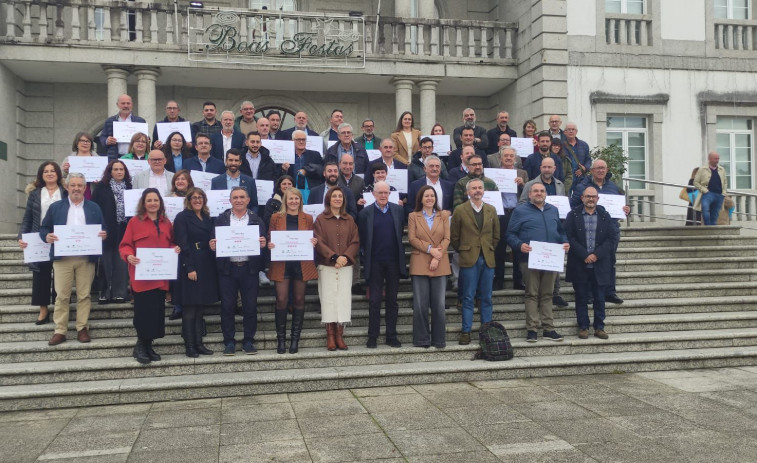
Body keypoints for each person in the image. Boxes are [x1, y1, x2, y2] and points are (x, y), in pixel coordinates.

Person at [40, 173, 107, 346]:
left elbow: (103, 228)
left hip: (86, 258)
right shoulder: (56, 207)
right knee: (62, 295)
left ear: (85, 188)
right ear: (67, 187)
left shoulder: (94, 208)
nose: (76, 188)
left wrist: (103, 234)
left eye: (80, 185)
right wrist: (47, 236)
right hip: (63, 258)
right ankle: (60, 330)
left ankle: (82, 328)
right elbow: (44, 228)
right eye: (73, 185)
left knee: (84, 295)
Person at [119, 188, 179, 364]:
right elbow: (124, 245)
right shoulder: (134, 223)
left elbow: (172, 243)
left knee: (156, 314)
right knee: (143, 313)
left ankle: (149, 344)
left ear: (160, 203)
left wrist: (175, 249)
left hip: (160, 278)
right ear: (143, 204)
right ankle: (140, 346)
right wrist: (128, 255)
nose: (153, 203)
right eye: (149, 200)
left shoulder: (167, 223)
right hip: (142, 278)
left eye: (156, 200)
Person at [506, 182, 569, 343]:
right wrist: (520, 245)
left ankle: (548, 328)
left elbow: (561, 232)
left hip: (551, 259)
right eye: (535, 191)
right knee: (532, 294)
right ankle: (532, 329)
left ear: (546, 194)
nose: (539, 193)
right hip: (530, 259)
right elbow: (510, 234)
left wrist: (565, 242)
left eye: (542, 191)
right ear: (530, 194)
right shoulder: (520, 211)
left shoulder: (553, 210)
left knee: (547, 294)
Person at [211, 187, 267, 355]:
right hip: (228, 270)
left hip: (249, 269)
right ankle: (229, 341)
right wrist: (212, 245)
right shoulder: (221, 219)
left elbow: (263, 244)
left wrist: (263, 244)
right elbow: (213, 241)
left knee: (250, 307)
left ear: (248, 200)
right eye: (235, 197)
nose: (239, 200)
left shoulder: (257, 219)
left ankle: (248, 340)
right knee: (227, 307)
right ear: (230, 200)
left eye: (242, 197)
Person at [571, 159, 630, 304]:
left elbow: (623, 204)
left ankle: (609, 292)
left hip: (611, 229)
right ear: (592, 170)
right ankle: (590, 293)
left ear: (606, 169)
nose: (600, 171)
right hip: (590, 229)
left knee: (610, 260)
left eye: (603, 168)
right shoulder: (583, 186)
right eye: (597, 168)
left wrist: (626, 210)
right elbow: (573, 206)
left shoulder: (613, 186)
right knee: (591, 260)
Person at [267, 188, 318, 354]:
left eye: (297, 198)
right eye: (290, 199)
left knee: (299, 299)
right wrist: (270, 244)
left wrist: (313, 241)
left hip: (301, 263)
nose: (294, 201)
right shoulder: (276, 217)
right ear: (285, 201)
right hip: (282, 263)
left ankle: (295, 339)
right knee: (281, 299)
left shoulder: (308, 218)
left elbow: (312, 237)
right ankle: (280, 339)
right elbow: (270, 237)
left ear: (300, 201)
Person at [450, 178, 499, 345]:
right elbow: (454, 236)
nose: (477, 190)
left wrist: (488, 248)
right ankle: (466, 331)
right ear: (468, 192)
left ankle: (487, 331)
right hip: (469, 258)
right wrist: (464, 249)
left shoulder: (491, 210)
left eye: (480, 188)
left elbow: (496, 235)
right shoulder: (460, 210)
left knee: (486, 297)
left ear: (483, 191)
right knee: (468, 297)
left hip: (487, 258)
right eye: (474, 188)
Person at [565, 187, 618, 340]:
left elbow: (611, 238)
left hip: (600, 264)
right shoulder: (573, 214)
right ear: (582, 198)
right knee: (581, 297)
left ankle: (599, 327)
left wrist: (596, 255)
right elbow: (569, 236)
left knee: (600, 297)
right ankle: (583, 326)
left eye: (593, 197)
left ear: (597, 199)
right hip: (579, 263)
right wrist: (584, 255)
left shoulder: (604, 215)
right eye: (588, 196)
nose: (590, 199)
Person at [358, 181, 407, 348]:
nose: (383, 195)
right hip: (375, 263)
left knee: (392, 301)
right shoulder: (365, 213)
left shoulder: (399, 210)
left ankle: (391, 335)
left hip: (393, 262)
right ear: (374, 194)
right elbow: (363, 239)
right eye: (380, 193)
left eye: (386, 192)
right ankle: (373, 336)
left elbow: (400, 233)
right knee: (374, 301)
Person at [18, 161, 66, 325]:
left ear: (58, 174)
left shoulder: (65, 192)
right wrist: (21, 236)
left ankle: (59, 309)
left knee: (61, 274)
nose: (50, 173)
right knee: (41, 274)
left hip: (61, 238)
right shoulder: (35, 194)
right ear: (41, 175)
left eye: (53, 171)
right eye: (46, 171)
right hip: (39, 237)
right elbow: (27, 218)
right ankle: (43, 310)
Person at [173, 187, 219, 357]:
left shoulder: (207, 217)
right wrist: (189, 267)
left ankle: (199, 343)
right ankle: (190, 345)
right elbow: (182, 243)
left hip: (206, 263)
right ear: (188, 200)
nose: (197, 200)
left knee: (200, 307)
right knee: (190, 308)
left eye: (200, 197)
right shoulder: (182, 217)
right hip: (191, 264)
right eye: (194, 197)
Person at [314, 187, 359, 351]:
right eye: (335, 196)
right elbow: (318, 241)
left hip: (345, 266)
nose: (338, 198)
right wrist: (334, 257)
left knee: (343, 299)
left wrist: (345, 257)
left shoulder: (350, 220)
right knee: (328, 299)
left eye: (340, 196)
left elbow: (355, 241)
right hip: (327, 266)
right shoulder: (320, 219)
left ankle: (340, 334)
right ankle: (330, 335)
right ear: (328, 199)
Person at [520, 157, 568, 307]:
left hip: (554, 225)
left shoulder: (559, 184)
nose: (547, 169)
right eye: (544, 167)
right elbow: (521, 202)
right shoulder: (530, 184)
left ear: (554, 169)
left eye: (550, 167)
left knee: (554, 262)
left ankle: (556, 293)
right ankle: (541, 295)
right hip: (535, 228)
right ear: (540, 168)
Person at [408, 185, 451, 348]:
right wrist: (430, 250)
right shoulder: (413, 216)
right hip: (420, 262)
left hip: (440, 263)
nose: (429, 198)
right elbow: (412, 239)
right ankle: (422, 339)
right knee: (420, 304)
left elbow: (447, 238)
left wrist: (437, 255)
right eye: (426, 196)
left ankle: (439, 340)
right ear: (421, 198)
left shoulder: (444, 215)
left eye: (432, 196)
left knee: (439, 305)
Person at [91, 160, 132, 304]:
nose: (119, 172)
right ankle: (104, 292)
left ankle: (120, 292)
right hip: (106, 229)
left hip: (124, 228)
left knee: (121, 262)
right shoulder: (101, 188)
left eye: (122, 169)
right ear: (110, 171)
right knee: (105, 262)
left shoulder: (130, 188)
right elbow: (94, 209)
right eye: (116, 169)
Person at [491, 147, 528, 291]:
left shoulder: (522, 173)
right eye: (505, 155)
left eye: (511, 156)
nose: (508, 158)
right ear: (500, 158)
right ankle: (498, 279)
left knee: (517, 247)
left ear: (515, 158)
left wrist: (522, 185)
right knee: (499, 248)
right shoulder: (494, 174)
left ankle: (518, 280)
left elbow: (530, 193)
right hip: (501, 213)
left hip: (517, 213)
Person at [100, 94, 146, 159]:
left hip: (135, 156)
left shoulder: (140, 121)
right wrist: (107, 140)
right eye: (123, 103)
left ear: (132, 105)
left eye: (128, 103)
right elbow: (102, 137)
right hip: (115, 156)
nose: (126, 106)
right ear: (117, 105)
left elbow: (145, 138)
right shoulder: (110, 121)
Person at [694, 151, 727, 226]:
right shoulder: (702, 169)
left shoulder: (722, 169)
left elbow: (725, 182)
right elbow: (696, 182)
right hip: (708, 194)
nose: (717, 160)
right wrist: (705, 190)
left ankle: (712, 229)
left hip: (719, 195)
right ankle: (707, 226)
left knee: (715, 214)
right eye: (715, 158)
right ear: (710, 159)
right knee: (705, 210)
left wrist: (724, 192)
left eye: (718, 158)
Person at [62, 132, 98, 199]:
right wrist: (65, 171)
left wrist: (100, 180)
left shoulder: (98, 160)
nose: (85, 143)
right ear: (77, 143)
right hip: (74, 190)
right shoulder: (68, 159)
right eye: (82, 141)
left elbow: (104, 178)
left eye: (88, 141)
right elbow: (63, 177)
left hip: (92, 190)